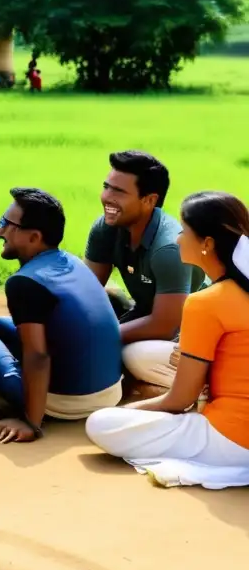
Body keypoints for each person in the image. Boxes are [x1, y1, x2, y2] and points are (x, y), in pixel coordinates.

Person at [86, 192, 249, 489]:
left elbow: (179, 400)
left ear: (207, 245)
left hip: (233, 440)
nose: (176, 240)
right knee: (143, 355)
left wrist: (121, 412)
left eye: (184, 232)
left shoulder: (206, 302)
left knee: (100, 423)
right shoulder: (235, 289)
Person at [0, 189, 123, 444]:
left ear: (34, 236)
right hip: (110, 392)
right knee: (0, 324)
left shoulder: (24, 283)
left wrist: (32, 422)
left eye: (7, 225)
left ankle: (32, 410)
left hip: (69, 402)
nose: (0, 232)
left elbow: (38, 356)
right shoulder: (70, 261)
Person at [84, 151, 205, 392]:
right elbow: (86, 291)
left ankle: (209, 385)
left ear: (149, 200)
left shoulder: (168, 248)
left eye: (119, 192)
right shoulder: (106, 228)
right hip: (148, 311)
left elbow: (164, 325)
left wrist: (93, 337)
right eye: (107, 187)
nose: (107, 197)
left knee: (133, 356)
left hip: (193, 330)